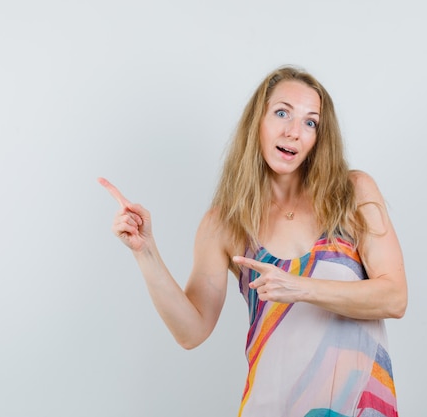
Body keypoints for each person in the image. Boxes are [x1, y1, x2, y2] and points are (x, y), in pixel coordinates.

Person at [99, 65, 407, 417]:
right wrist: (146, 252)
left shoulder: (352, 193)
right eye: (282, 113)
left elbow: (394, 297)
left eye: (310, 122)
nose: (294, 132)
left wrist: (300, 287)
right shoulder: (226, 224)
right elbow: (191, 331)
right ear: (257, 122)